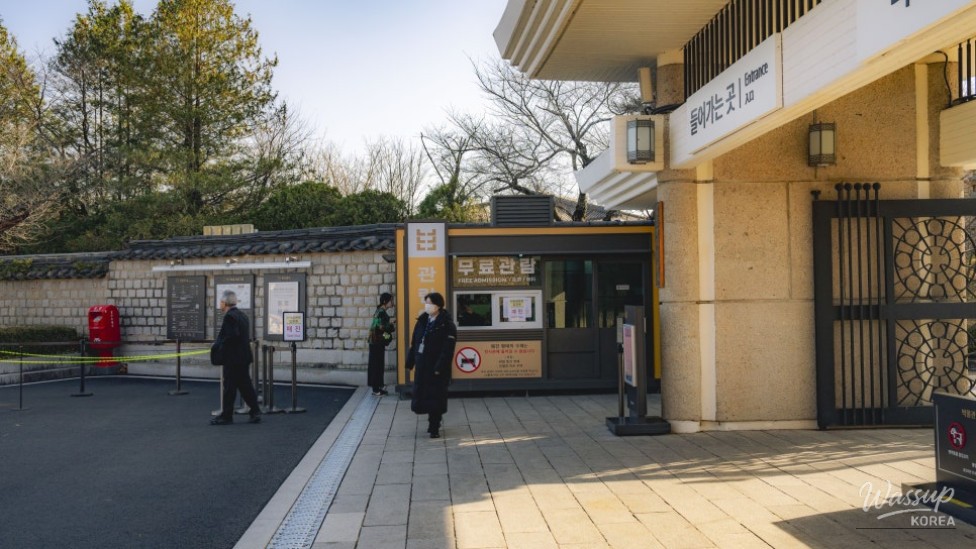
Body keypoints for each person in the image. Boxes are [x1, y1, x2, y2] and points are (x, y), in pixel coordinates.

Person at [405, 292, 457, 438]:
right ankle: (431, 420)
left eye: (430, 303)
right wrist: (410, 361)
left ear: (438, 305)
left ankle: (434, 425)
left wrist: (439, 368)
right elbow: (414, 342)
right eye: (426, 303)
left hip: (436, 369)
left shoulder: (447, 325)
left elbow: (448, 349)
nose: (427, 306)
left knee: (436, 398)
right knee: (423, 397)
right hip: (422, 367)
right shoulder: (422, 321)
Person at [210, 290, 261, 425]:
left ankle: (227, 415)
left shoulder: (229, 317)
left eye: (220, 302)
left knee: (229, 387)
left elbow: (232, 336)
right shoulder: (242, 315)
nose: (220, 305)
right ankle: (255, 410)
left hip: (233, 358)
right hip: (243, 357)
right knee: (245, 386)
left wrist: (219, 345)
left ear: (224, 302)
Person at [367, 292, 396, 396]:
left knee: (378, 364)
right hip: (377, 342)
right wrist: (391, 326)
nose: (392, 303)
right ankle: (376, 389)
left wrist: (390, 324)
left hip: (376, 342)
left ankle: (378, 387)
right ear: (385, 302)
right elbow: (381, 327)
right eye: (391, 301)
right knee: (377, 365)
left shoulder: (380, 311)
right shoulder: (381, 312)